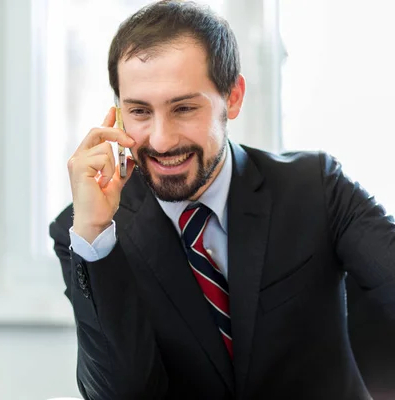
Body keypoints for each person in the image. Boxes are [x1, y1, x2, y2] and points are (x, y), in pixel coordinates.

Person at [48, 1, 395, 399]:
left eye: (183, 108)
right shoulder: (83, 232)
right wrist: (95, 237)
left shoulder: (316, 187)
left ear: (232, 97)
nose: (161, 140)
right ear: (118, 115)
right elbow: (121, 392)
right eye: (140, 111)